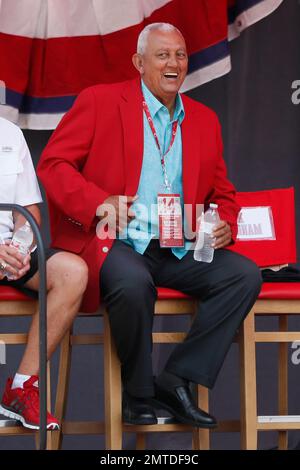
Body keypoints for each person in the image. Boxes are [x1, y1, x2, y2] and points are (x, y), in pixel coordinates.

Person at [38, 23, 262, 428]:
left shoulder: (205, 120)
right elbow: (53, 166)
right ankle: (137, 392)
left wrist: (225, 223)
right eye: (162, 55)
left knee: (243, 275)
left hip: (178, 246)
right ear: (139, 63)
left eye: (180, 54)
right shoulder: (100, 102)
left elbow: (223, 193)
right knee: (132, 282)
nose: (173, 62)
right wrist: (98, 203)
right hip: (115, 242)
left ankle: (176, 379)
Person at [0, 117, 88, 430]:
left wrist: (21, 246)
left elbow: (29, 210)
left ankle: (22, 387)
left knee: (72, 272)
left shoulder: (9, 133)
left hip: (8, 252)